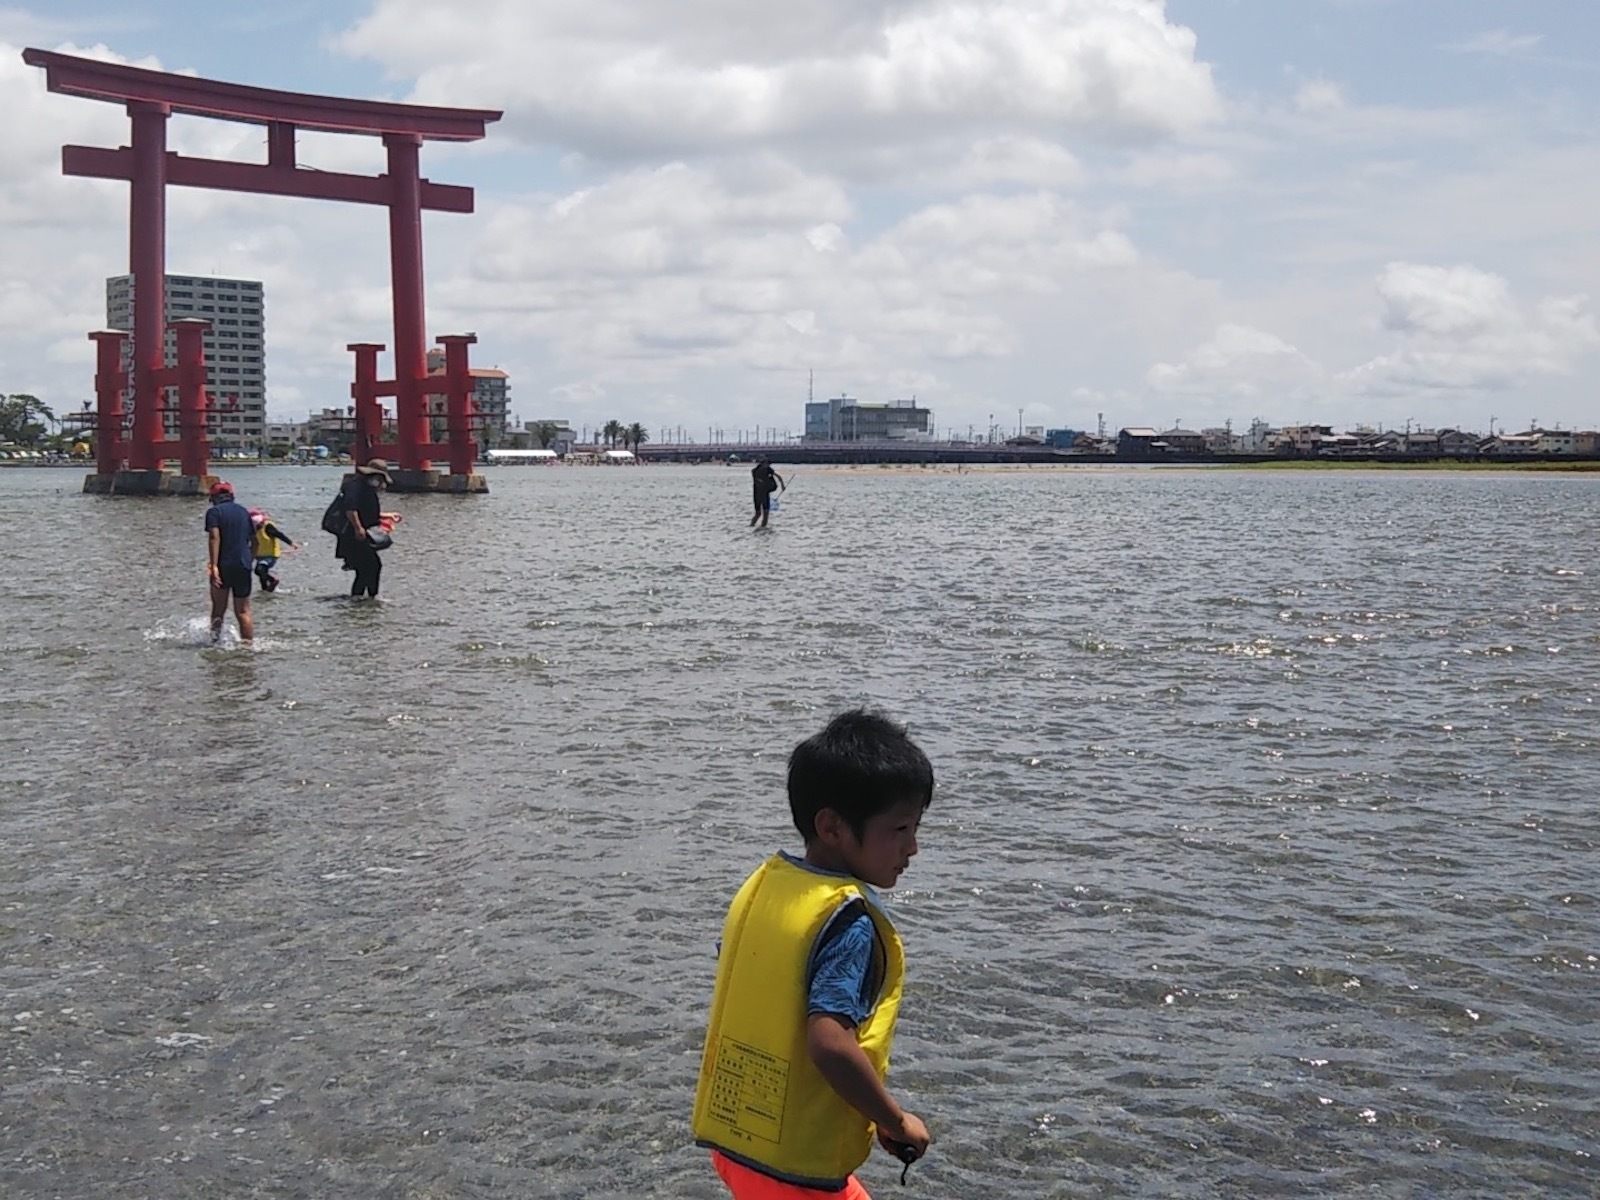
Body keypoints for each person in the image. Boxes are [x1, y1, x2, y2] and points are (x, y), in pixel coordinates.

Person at [692, 709, 935, 1199]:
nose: (913, 847)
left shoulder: (766, 888)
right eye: (901, 829)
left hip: (737, 1147)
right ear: (833, 827)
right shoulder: (848, 923)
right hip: (794, 1172)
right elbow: (830, 1044)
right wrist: (895, 1120)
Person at [333, 458, 400, 599]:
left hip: (362, 534)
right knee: (372, 566)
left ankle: (362, 599)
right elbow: (351, 509)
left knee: (365, 569)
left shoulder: (365, 488)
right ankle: (369, 597)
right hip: (354, 535)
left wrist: (386, 516)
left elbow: (365, 511)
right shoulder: (356, 486)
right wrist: (358, 528)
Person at [204, 479, 255, 644]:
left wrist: (214, 566)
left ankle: (214, 642)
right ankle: (248, 648)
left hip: (224, 565)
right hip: (243, 565)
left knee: (218, 609)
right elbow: (256, 542)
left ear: (213, 498)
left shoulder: (214, 513)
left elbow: (214, 537)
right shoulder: (244, 512)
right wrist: (249, 561)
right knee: (243, 611)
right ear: (232, 495)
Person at [248, 508, 297, 593]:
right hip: (260, 555)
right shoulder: (251, 528)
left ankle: (273, 580)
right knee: (262, 576)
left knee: (258, 570)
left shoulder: (268, 526)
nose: (257, 526)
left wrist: (291, 543)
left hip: (270, 555)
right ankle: (266, 591)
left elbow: (279, 534)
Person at [751, 458, 785, 528]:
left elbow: (778, 476)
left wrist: (782, 485)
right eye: (768, 464)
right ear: (764, 463)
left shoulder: (756, 471)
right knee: (762, 514)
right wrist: (782, 485)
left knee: (761, 513)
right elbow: (778, 476)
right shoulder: (763, 470)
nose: (769, 465)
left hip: (759, 494)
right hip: (761, 494)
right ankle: (759, 527)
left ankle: (754, 526)